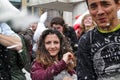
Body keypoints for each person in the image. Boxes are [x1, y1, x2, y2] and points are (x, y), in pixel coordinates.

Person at [76, 0, 120, 80]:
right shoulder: (86, 41)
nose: (99, 12)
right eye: (93, 6)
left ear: (118, 5)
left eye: (105, 4)